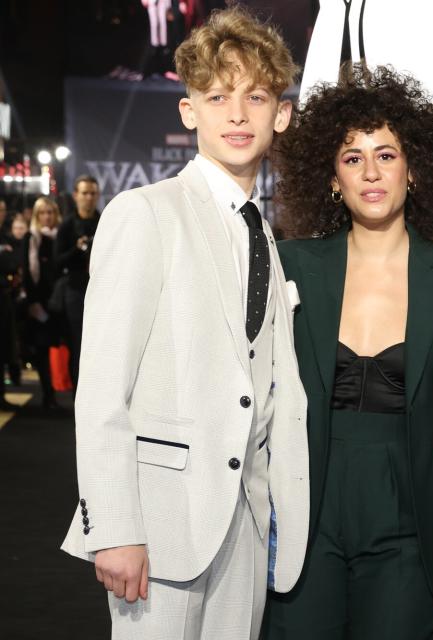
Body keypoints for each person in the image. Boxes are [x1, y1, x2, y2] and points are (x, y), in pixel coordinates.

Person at [60, 8, 310, 639]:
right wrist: (114, 527)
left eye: (255, 97)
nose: (236, 114)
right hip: (160, 528)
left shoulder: (269, 236)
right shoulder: (144, 214)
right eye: (217, 96)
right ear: (188, 110)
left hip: (247, 530)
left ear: (281, 115)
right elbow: (102, 388)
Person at [263, 65, 433, 639]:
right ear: (332, 177)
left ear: (415, 169)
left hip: (410, 520)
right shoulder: (293, 264)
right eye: (353, 158)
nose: (371, 172)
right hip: (306, 514)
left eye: (386, 154)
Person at [54, 175, 101, 388]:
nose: (88, 198)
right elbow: (57, 261)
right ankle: (78, 402)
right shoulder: (66, 226)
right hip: (75, 292)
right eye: (84, 193)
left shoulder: (105, 221)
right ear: (76, 195)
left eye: (92, 193)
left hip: (103, 292)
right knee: (79, 345)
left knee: (102, 346)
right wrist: (77, 249)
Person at [22, 197, 63, 408]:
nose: (47, 216)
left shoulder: (60, 237)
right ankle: (48, 394)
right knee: (42, 349)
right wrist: (33, 302)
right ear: (37, 216)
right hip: (39, 302)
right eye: (43, 213)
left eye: (50, 212)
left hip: (59, 300)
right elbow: (28, 273)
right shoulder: (32, 238)